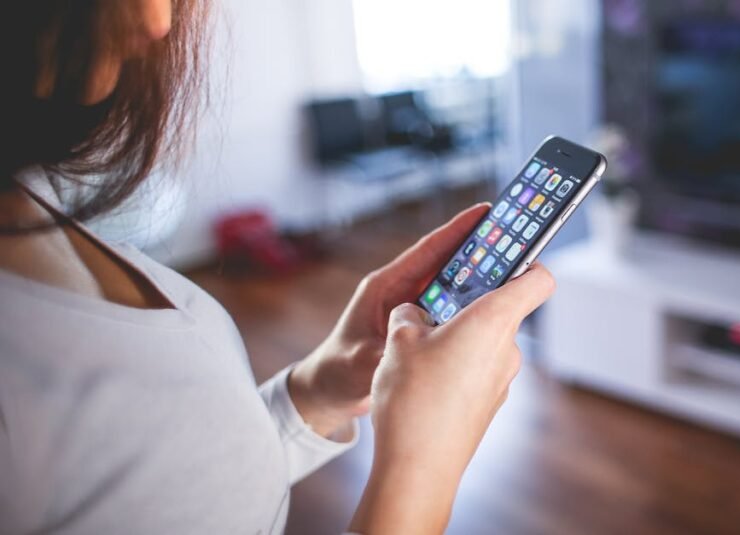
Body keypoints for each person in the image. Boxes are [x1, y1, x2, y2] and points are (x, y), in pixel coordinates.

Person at [0, 1, 554, 533]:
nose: (156, 17)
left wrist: (319, 388)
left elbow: (180, 488)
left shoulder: (29, 195)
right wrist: (423, 467)